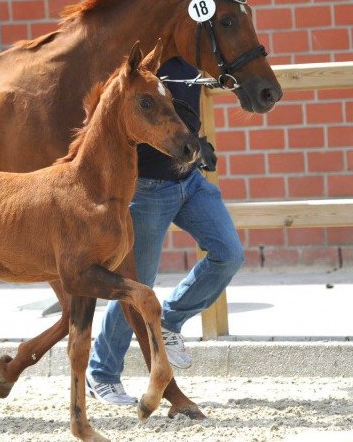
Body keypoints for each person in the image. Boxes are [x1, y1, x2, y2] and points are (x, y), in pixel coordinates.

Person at [85, 57, 245, 406]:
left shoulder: (189, 59)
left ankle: (170, 320)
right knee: (137, 285)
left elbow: (180, 114)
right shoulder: (139, 63)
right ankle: (101, 373)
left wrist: (198, 142)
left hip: (189, 180)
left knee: (229, 254)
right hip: (148, 188)